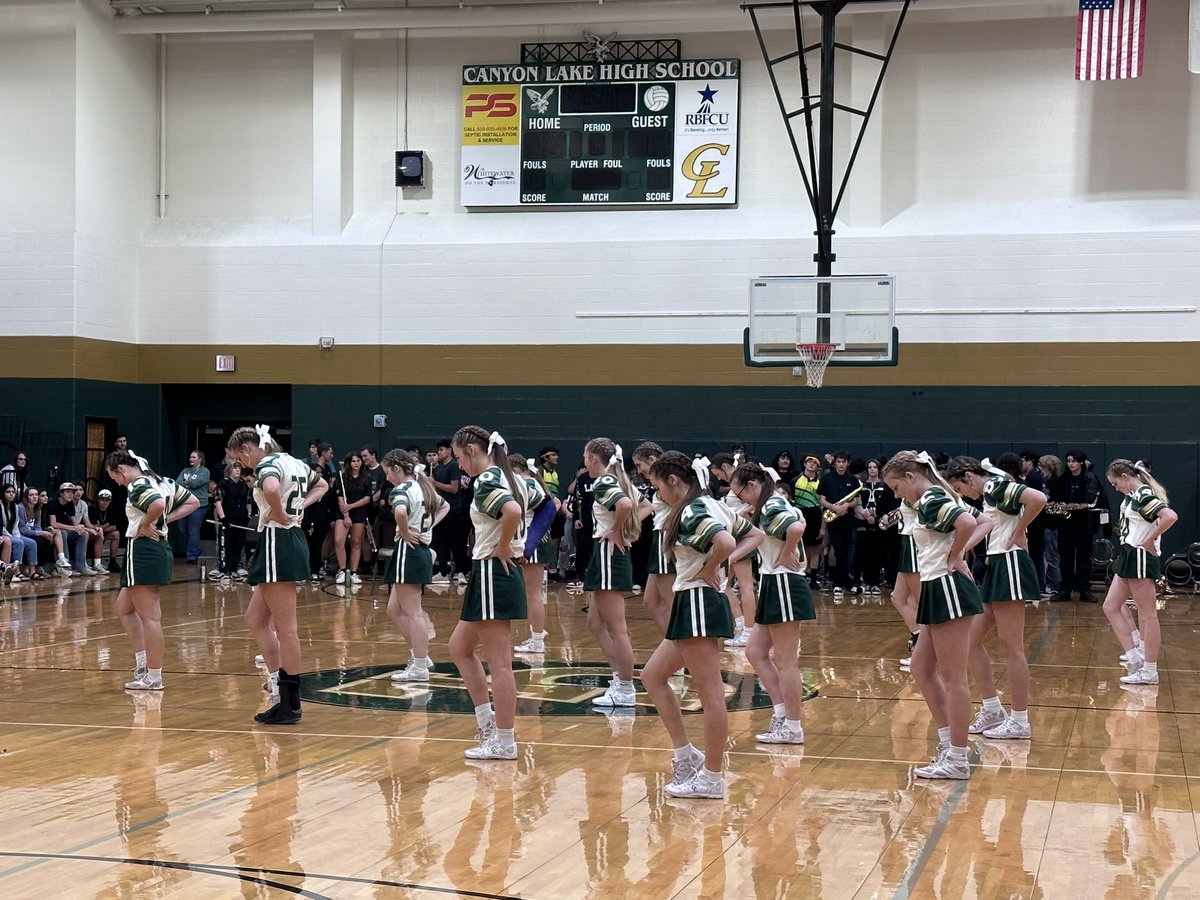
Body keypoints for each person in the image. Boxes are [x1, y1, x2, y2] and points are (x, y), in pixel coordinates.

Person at [639, 451, 762, 799]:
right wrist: (719, 565)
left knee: (711, 695)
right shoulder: (716, 505)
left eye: (658, 487)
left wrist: (711, 568)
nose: (658, 494)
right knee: (652, 675)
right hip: (694, 601)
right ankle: (685, 754)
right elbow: (754, 536)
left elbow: (725, 542)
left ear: (674, 481)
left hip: (697, 601)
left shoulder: (693, 510)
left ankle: (711, 778)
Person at [882, 451, 983, 780]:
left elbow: (969, 523)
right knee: (921, 667)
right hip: (937, 586)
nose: (897, 495)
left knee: (955, 680)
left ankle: (957, 757)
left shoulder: (930, 498)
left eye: (897, 488)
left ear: (910, 478)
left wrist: (955, 556)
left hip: (947, 589)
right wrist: (956, 552)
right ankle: (946, 742)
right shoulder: (934, 496)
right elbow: (974, 519)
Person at [227, 425, 328, 724]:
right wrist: (300, 507)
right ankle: (276, 685)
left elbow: (271, 489)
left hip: (277, 540)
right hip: (288, 538)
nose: (241, 465)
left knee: (286, 629)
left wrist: (282, 514)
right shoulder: (294, 462)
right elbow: (321, 485)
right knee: (256, 619)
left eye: (238, 458)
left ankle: (290, 702)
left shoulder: (267, 465)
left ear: (246, 449)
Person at [945, 454, 1045, 742]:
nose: (964, 495)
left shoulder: (994, 486)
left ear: (967, 477)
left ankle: (1020, 720)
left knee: (1012, 647)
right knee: (970, 641)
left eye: (960, 489)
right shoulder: (992, 490)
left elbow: (1037, 498)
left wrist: (1019, 529)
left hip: (1010, 563)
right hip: (997, 564)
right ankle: (992, 709)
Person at [447, 426, 528, 761]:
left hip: (495, 570)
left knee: (500, 663)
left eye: (458, 458)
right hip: (489, 572)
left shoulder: (487, 479)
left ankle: (505, 741)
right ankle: (488, 724)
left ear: (471, 449)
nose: (459, 465)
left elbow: (512, 512)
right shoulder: (513, 476)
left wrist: (505, 546)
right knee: (459, 647)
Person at [729, 462, 811, 747]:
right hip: (774, 583)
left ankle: (793, 726)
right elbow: (799, 522)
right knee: (754, 651)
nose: (742, 500)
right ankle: (780, 714)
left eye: (741, 495)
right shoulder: (771, 503)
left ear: (752, 486)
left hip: (784, 582)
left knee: (786, 661)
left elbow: (796, 528)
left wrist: (786, 554)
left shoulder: (772, 504)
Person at [105, 449, 199, 691]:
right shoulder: (163, 481)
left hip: (144, 549)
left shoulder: (137, 485)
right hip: (154, 547)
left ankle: (154, 676)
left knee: (150, 617)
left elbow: (156, 504)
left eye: (114, 477)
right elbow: (193, 502)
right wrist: (164, 520)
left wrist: (147, 523)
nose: (116, 482)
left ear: (121, 469)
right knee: (124, 608)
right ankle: (143, 664)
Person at [1103, 460, 1178, 686]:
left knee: (1147, 614)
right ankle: (1136, 658)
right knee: (1110, 606)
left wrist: (1148, 540)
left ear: (1125, 477)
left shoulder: (1143, 494)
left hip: (1139, 556)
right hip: (1129, 554)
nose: (1115, 488)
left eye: (1115, 483)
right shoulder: (1134, 495)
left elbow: (1170, 516)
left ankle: (1149, 671)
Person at [582, 438, 643, 708]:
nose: (584, 462)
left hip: (609, 553)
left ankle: (627, 689)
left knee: (617, 629)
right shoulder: (618, 479)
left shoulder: (605, 481)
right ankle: (619, 678)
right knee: (594, 623)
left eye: (585, 457)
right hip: (606, 553)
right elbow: (639, 505)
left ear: (594, 458)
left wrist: (617, 530)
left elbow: (626, 507)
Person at [385, 449, 449, 684]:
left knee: (413, 613)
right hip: (419, 550)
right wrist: (428, 528)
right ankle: (420, 656)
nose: (387, 478)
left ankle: (420, 665)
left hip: (408, 550)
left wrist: (403, 531)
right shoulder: (424, 487)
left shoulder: (402, 489)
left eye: (387, 473)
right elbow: (445, 507)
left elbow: (400, 511)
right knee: (393, 609)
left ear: (397, 468)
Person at [507, 454, 559, 655]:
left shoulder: (526, 483)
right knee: (532, 594)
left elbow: (552, 507)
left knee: (533, 594)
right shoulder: (534, 482)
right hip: (534, 540)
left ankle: (537, 641)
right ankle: (538, 632)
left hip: (532, 541)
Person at [632, 442, 675, 633]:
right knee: (650, 602)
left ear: (652, 459)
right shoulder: (659, 481)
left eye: (640, 465)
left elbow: (687, 500)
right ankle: (673, 647)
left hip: (667, 540)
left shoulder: (668, 480)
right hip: (659, 540)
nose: (639, 470)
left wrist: (673, 520)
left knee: (670, 603)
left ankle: (681, 649)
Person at [1050, 449, 1102, 602]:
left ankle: (1084, 589)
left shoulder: (1090, 478)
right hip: (1065, 523)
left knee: (1084, 558)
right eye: (1069, 461)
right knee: (1065, 557)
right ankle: (1065, 589)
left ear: (1081, 462)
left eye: (1074, 461)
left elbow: (1097, 500)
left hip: (1084, 524)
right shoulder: (1062, 479)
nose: (1071, 464)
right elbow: (1054, 498)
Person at [818, 450, 861, 598]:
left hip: (847, 518)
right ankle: (841, 583)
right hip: (832, 518)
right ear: (834, 462)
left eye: (844, 462)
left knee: (845, 552)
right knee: (839, 551)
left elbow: (856, 500)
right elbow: (822, 500)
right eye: (839, 461)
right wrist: (835, 508)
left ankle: (842, 583)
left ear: (847, 463)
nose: (841, 464)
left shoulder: (853, 480)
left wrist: (847, 506)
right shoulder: (826, 478)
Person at [432, 439, 469, 584]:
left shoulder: (454, 466)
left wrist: (435, 483)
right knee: (442, 542)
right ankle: (443, 572)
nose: (439, 453)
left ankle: (461, 572)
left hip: (454, 511)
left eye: (441, 450)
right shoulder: (438, 468)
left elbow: (454, 488)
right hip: (440, 510)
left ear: (449, 450)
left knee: (457, 542)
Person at [332, 452, 372, 586]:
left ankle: (354, 572)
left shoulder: (366, 478)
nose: (356, 463)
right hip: (343, 514)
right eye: (353, 461)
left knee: (356, 543)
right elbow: (340, 497)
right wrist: (346, 514)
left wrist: (351, 506)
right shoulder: (342, 478)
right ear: (349, 463)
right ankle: (342, 570)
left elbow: (367, 498)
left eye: (358, 461)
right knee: (338, 541)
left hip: (358, 513)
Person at [213, 461, 253, 581]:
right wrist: (223, 518)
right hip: (227, 520)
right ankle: (224, 570)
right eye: (235, 468)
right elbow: (217, 501)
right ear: (229, 470)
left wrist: (249, 515)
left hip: (241, 520)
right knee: (226, 546)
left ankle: (234, 570)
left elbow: (248, 501)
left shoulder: (244, 485)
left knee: (239, 545)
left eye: (239, 468)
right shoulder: (223, 484)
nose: (237, 470)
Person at [791, 454, 824, 590]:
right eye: (808, 462)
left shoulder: (820, 483)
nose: (811, 465)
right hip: (800, 513)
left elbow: (822, 502)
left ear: (817, 467)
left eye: (814, 463)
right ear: (804, 464)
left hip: (815, 515)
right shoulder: (795, 480)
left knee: (815, 548)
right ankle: (803, 574)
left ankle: (814, 578)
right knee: (802, 547)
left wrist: (822, 526)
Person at [47, 483, 94, 576]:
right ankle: (65, 565)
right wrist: (73, 528)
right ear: (61, 493)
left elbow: (74, 522)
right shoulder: (53, 502)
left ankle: (81, 566)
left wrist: (80, 528)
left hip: (67, 530)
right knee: (63, 532)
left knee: (83, 534)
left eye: (72, 492)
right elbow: (54, 523)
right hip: (53, 530)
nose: (70, 495)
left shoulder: (70, 504)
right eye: (68, 492)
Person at [175, 451, 211, 565]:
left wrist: (186, 482)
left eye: (194, 457)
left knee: (193, 530)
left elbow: (198, 483)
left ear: (200, 459)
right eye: (190, 457)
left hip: (199, 505)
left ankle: (192, 556)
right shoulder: (185, 471)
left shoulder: (205, 471)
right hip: (184, 504)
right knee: (183, 529)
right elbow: (177, 483)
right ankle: (195, 549)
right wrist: (189, 483)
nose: (191, 459)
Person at [17, 486, 56, 579]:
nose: (34, 497)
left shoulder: (38, 509)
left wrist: (44, 533)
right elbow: (22, 530)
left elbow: (37, 527)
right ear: (26, 497)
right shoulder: (21, 508)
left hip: (30, 533)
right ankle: (25, 567)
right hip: (21, 534)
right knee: (36, 541)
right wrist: (40, 533)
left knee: (47, 539)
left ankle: (39, 567)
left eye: (36, 495)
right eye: (31, 495)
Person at [0, 483, 34, 581]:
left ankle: (32, 571)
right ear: (3, 493)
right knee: (18, 542)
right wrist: (11, 536)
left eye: (13, 492)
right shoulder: (0, 505)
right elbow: (1, 525)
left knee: (31, 543)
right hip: (4, 533)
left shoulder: (15, 506)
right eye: (8, 492)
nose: (11, 494)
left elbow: (15, 524)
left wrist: (16, 535)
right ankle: (14, 572)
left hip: (12, 533)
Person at [89, 488, 123, 574]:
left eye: (107, 500)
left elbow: (114, 527)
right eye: (103, 499)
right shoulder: (93, 508)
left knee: (116, 534)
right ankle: (97, 564)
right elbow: (94, 527)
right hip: (91, 533)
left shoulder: (110, 509)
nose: (105, 502)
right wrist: (106, 525)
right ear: (98, 499)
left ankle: (112, 562)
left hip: (102, 532)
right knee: (99, 534)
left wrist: (102, 528)